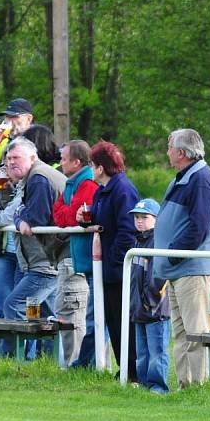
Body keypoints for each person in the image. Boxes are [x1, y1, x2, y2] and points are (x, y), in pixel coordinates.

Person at [154, 129, 210, 389]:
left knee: (196, 332)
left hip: (191, 268)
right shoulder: (186, 177)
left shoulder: (200, 179)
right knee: (181, 333)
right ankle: (185, 385)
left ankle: (199, 387)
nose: (168, 151)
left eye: (170, 147)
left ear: (181, 153)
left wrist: (173, 255)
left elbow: (199, 226)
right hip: (179, 269)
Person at [77, 141, 138, 381]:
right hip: (109, 269)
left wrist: (114, 262)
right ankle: (124, 369)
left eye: (92, 164)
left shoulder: (122, 190)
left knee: (123, 322)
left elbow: (127, 230)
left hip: (118, 269)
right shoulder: (105, 190)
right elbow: (103, 218)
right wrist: (86, 218)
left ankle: (132, 371)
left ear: (100, 167)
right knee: (113, 322)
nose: (91, 169)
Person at [2, 138, 67, 339]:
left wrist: (19, 215)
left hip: (47, 262)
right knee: (46, 316)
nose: (12, 162)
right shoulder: (33, 176)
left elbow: (33, 220)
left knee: (14, 305)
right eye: (9, 158)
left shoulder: (38, 177)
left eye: (17, 158)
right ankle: (48, 362)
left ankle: (22, 362)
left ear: (33, 157)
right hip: (46, 260)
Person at [52, 140, 98, 367]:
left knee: (88, 315)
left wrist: (67, 213)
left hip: (90, 259)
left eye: (63, 159)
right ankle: (85, 363)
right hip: (80, 258)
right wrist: (66, 213)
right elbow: (59, 214)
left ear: (76, 162)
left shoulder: (87, 184)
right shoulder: (72, 184)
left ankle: (89, 363)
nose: (60, 163)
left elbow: (72, 217)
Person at [129, 198, 170, 394]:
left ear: (156, 219)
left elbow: (158, 278)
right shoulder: (138, 240)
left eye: (144, 217)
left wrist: (150, 302)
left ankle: (158, 387)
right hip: (139, 308)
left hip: (155, 309)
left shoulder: (158, 241)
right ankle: (144, 383)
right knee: (142, 353)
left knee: (157, 352)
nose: (139, 221)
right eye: (136, 217)